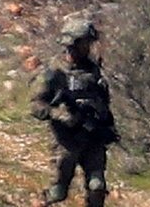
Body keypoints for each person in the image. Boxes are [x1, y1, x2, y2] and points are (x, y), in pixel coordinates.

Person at [33, 17, 118, 207]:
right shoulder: (55, 71)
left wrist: (107, 125)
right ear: (75, 43)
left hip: (93, 138)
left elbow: (102, 101)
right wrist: (59, 115)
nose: (89, 47)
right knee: (57, 192)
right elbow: (36, 105)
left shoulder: (93, 70)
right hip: (66, 142)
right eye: (86, 42)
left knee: (97, 187)